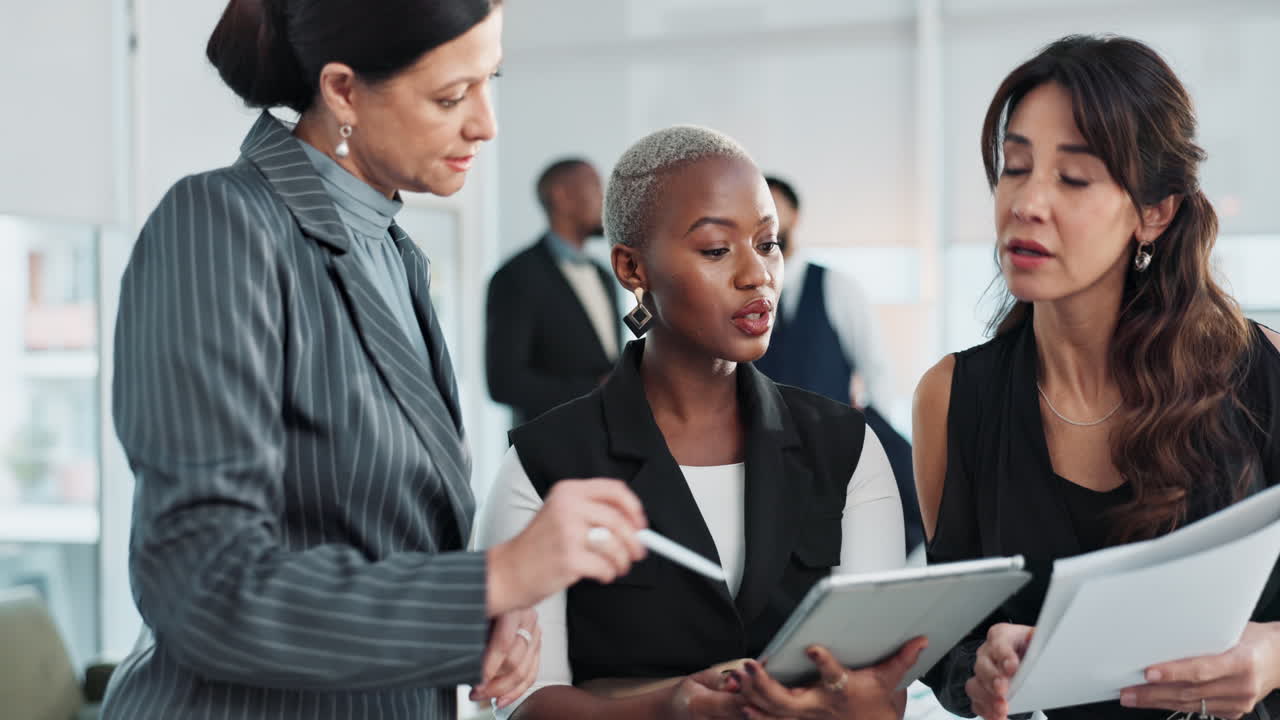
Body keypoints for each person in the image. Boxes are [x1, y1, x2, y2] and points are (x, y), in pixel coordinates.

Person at [101, 2, 649, 718]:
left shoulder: (392, 253)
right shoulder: (222, 222)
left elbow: (376, 533)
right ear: (343, 91)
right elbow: (204, 587)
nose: (487, 123)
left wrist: (486, 610)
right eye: (452, 96)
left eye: (491, 82)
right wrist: (497, 577)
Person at [476, 125, 926, 720]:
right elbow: (520, 705)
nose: (756, 274)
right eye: (717, 250)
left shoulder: (845, 447)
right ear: (632, 267)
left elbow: (877, 692)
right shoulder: (546, 462)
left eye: (768, 244)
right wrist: (670, 705)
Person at [912, 35, 1280, 720]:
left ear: (1155, 213)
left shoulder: (1261, 374)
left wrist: (1271, 654)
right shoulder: (953, 399)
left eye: (1073, 178)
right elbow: (946, 644)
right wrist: (981, 666)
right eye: (1015, 167)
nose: (1027, 201)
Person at [755, 176, 924, 553]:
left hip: (830, 453)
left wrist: (871, 441)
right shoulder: (742, 291)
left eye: (774, 207)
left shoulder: (835, 286)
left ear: (795, 215)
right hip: (765, 457)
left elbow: (876, 367)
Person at [487, 158, 621, 425]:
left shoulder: (605, 275)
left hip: (608, 444)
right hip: (549, 451)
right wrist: (596, 388)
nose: (606, 200)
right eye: (596, 187)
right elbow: (504, 382)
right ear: (561, 197)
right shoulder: (516, 276)